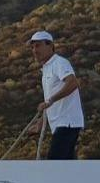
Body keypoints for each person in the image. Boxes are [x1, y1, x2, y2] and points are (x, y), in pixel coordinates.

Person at [24, 30, 84, 160]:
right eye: (32, 47)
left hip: (67, 122)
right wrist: (40, 123)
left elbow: (73, 83)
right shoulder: (46, 69)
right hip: (60, 124)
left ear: (50, 46)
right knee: (65, 162)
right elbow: (48, 101)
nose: (34, 50)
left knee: (54, 161)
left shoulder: (59, 63)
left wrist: (51, 100)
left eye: (38, 46)